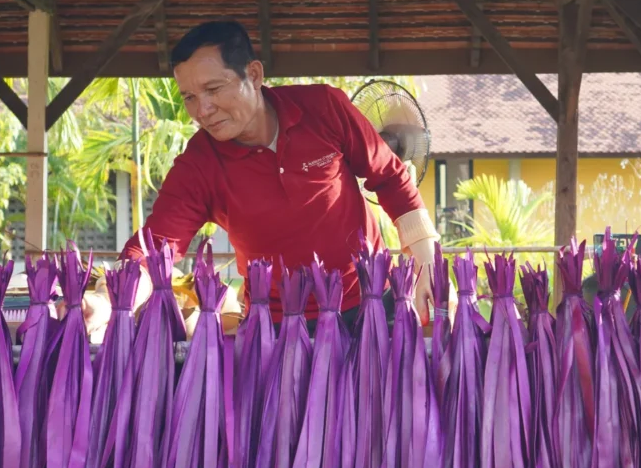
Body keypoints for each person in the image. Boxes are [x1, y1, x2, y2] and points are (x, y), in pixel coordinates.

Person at [117, 20, 443, 330]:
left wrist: (428, 262)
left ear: (254, 75)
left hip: (371, 300)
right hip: (276, 326)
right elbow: (153, 248)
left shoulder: (325, 107)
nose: (202, 110)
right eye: (189, 97)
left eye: (213, 89)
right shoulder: (198, 165)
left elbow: (389, 177)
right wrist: (110, 298)